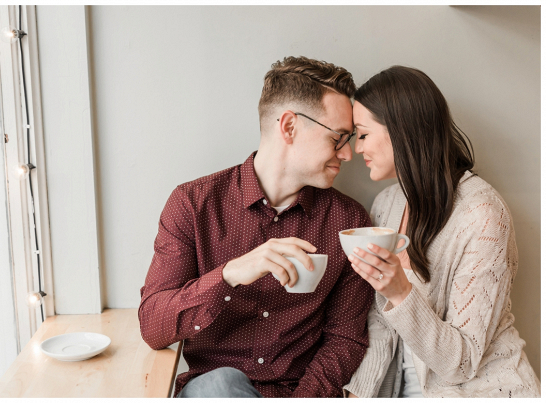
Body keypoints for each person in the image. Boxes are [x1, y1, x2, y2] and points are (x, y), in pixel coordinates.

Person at [139, 56, 375, 398]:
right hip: (215, 391)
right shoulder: (193, 203)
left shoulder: (349, 223)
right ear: (290, 127)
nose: (349, 153)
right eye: (338, 137)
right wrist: (229, 274)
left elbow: (344, 339)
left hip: (301, 393)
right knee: (224, 383)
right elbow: (153, 325)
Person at [342, 66, 541, 398]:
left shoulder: (482, 214)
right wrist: (358, 393)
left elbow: (461, 364)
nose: (356, 149)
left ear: (399, 130)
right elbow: (379, 326)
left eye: (362, 134)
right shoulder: (386, 205)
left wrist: (400, 292)